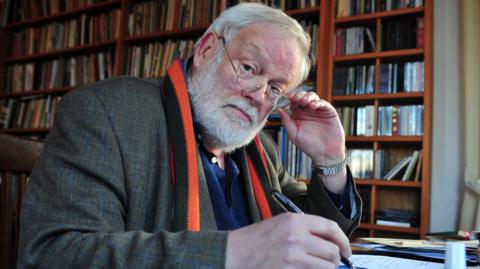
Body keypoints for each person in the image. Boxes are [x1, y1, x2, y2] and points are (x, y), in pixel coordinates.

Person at [18, 3, 361, 269]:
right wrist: (232, 254)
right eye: (248, 68)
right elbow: (54, 253)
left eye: (274, 88)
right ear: (207, 49)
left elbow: (319, 241)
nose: (259, 95)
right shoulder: (106, 112)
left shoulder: (262, 150)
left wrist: (330, 160)